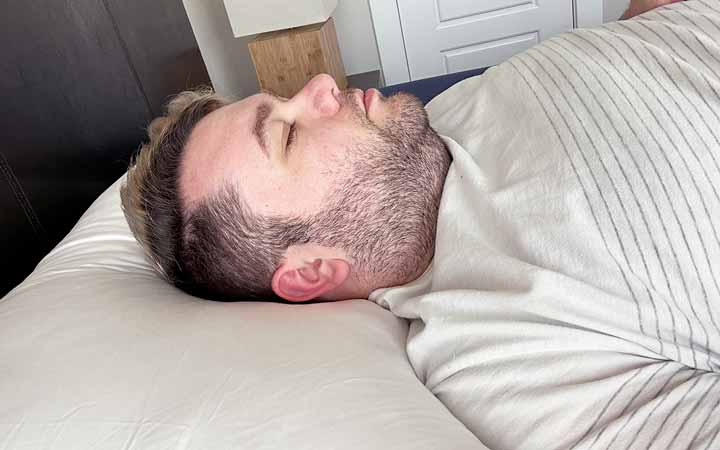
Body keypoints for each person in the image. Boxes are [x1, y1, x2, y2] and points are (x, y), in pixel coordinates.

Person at [122, 1, 720, 448]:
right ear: (311, 271)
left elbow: (649, 23)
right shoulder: (498, 357)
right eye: (289, 131)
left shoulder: (435, 120)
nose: (322, 86)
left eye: (283, 96)